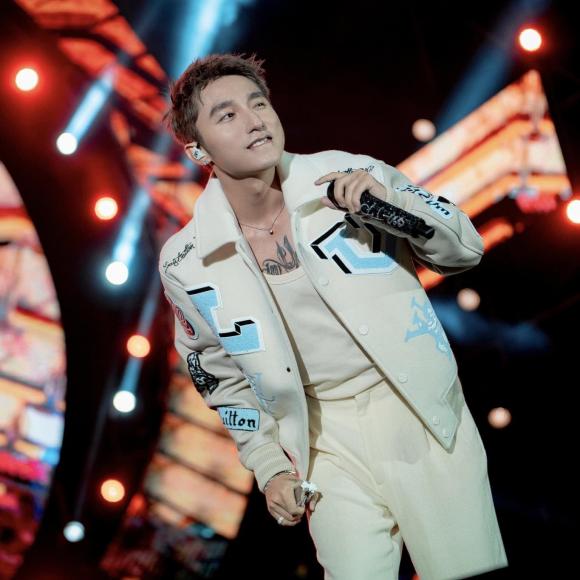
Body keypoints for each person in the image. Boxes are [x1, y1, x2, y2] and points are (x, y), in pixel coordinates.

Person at [159, 52, 509, 580]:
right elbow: (219, 379)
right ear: (196, 149)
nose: (255, 120)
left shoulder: (348, 176)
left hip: (418, 409)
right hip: (322, 443)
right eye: (227, 115)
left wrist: (389, 206)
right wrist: (270, 466)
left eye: (259, 103)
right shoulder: (186, 263)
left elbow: (465, 249)